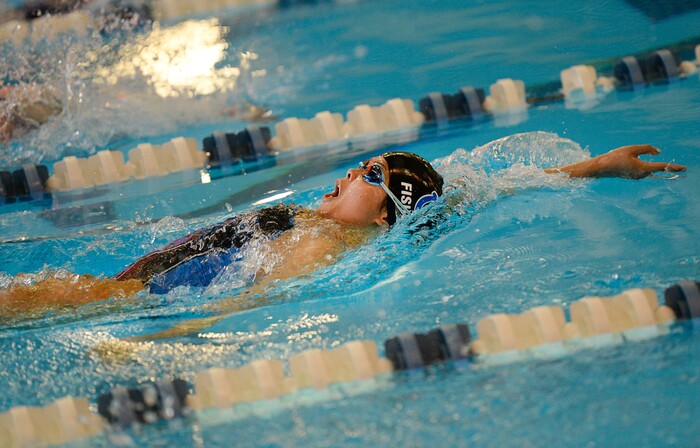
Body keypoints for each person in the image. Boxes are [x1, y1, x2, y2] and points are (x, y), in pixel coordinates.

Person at [0, 143, 687, 320]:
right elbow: (488, 185)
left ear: (385, 208)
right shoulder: (336, 221)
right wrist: (595, 167)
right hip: (135, 280)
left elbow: (255, 296)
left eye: (366, 174)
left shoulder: (324, 243)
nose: (344, 176)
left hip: (120, 298)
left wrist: (172, 334)